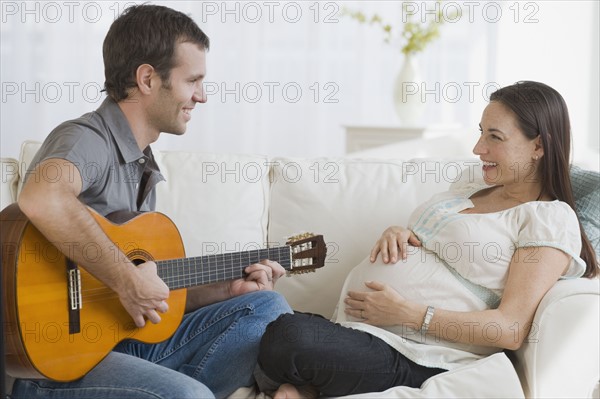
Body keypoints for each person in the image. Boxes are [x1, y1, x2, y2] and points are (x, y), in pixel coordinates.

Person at [11, 4, 292, 399]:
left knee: (267, 307)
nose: (202, 96)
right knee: (190, 396)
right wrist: (127, 280)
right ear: (147, 78)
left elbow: (148, 290)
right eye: (192, 80)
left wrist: (227, 290)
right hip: (50, 364)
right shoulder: (86, 138)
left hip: (113, 346)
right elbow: (42, 197)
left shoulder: (142, 166)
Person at [255, 81, 599, 399]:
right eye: (481, 133)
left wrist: (409, 313)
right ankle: (312, 384)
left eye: (495, 137)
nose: (479, 148)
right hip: (363, 332)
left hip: (420, 353)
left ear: (538, 145)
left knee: (287, 338)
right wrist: (400, 233)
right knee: (255, 316)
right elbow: (435, 245)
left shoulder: (548, 218)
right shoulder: (474, 184)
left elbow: (509, 328)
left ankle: (309, 382)